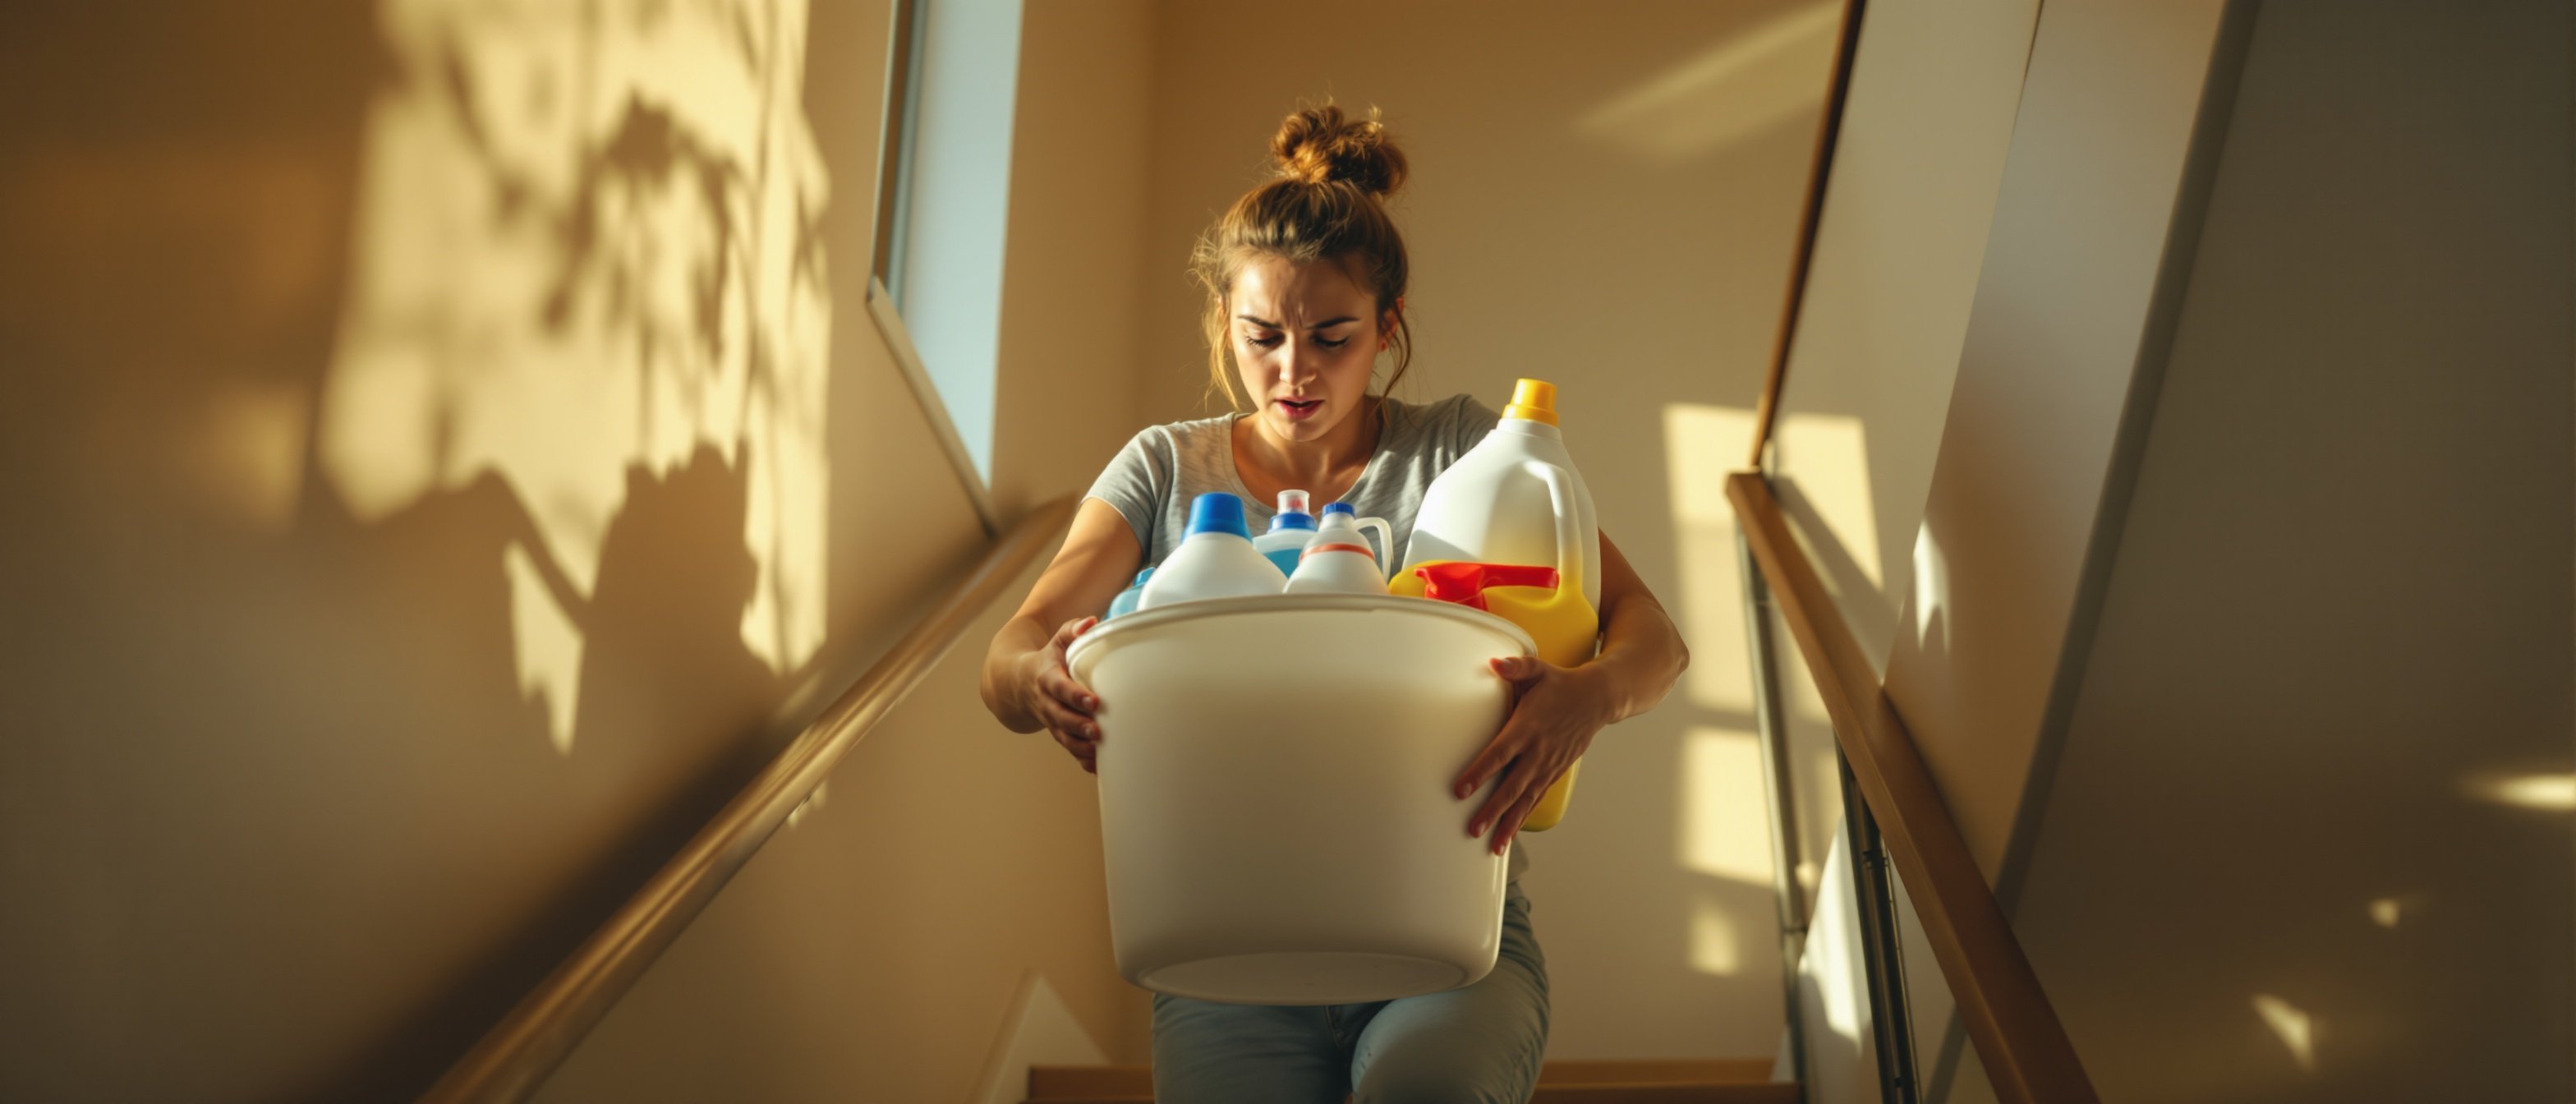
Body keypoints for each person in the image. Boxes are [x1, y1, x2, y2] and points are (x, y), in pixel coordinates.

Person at [978, 104, 1688, 1104]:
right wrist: (1040, 678)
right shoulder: (1160, 469)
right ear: (1224, 321)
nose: (1294, 370)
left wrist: (1587, 696)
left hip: (1442, 921)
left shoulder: (1461, 453)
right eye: (1261, 336)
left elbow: (1653, 635)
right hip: (1225, 937)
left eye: (1332, 336)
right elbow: (1009, 653)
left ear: (1387, 325)